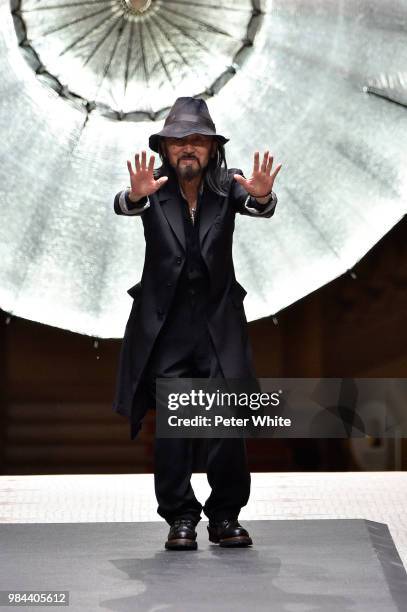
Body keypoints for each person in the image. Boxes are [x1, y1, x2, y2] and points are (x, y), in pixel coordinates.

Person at [113, 96, 282, 550]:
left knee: (226, 423)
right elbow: (123, 203)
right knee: (174, 427)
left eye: (198, 141)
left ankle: (226, 516)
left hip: (218, 323)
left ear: (212, 149)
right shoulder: (154, 187)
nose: (189, 148)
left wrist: (263, 194)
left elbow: (259, 204)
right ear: (166, 149)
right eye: (180, 141)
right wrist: (134, 196)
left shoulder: (228, 186)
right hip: (167, 326)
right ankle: (180, 518)